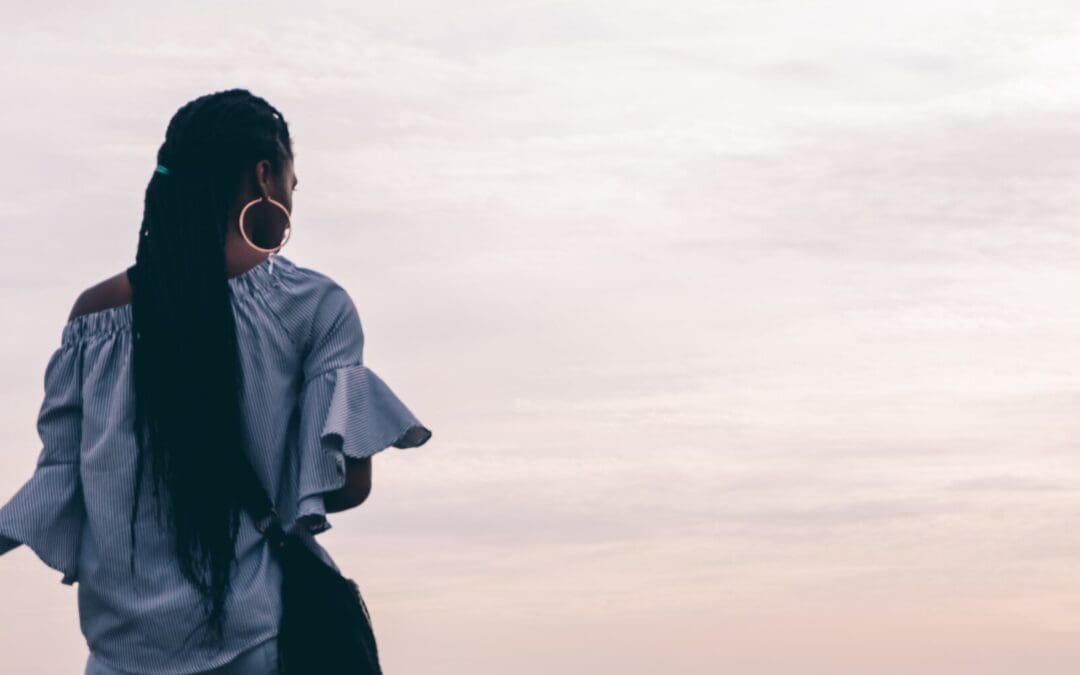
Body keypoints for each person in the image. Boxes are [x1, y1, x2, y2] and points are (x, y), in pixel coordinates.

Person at [0, 88, 433, 674]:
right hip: (256, 641)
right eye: (292, 183)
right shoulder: (312, 307)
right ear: (263, 178)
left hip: (122, 654)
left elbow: (57, 486)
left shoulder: (93, 322)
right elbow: (347, 488)